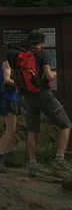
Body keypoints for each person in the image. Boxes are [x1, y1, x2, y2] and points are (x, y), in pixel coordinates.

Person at [17, 30, 71, 173]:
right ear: (42, 41)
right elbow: (48, 76)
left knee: (32, 129)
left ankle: (33, 164)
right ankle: (59, 159)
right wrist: (54, 74)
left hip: (29, 95)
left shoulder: (24, 55)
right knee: (66, 124)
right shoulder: (42, 54)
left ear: (30, 41)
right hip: (43, 94)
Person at [0, 46, 32, 175]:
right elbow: (6, 80)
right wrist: (19, 84)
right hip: (9, 98)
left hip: (7, 98)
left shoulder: (5, 62)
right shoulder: (8, 64)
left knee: (10, 129)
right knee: (10, 130)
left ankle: (7, 155)